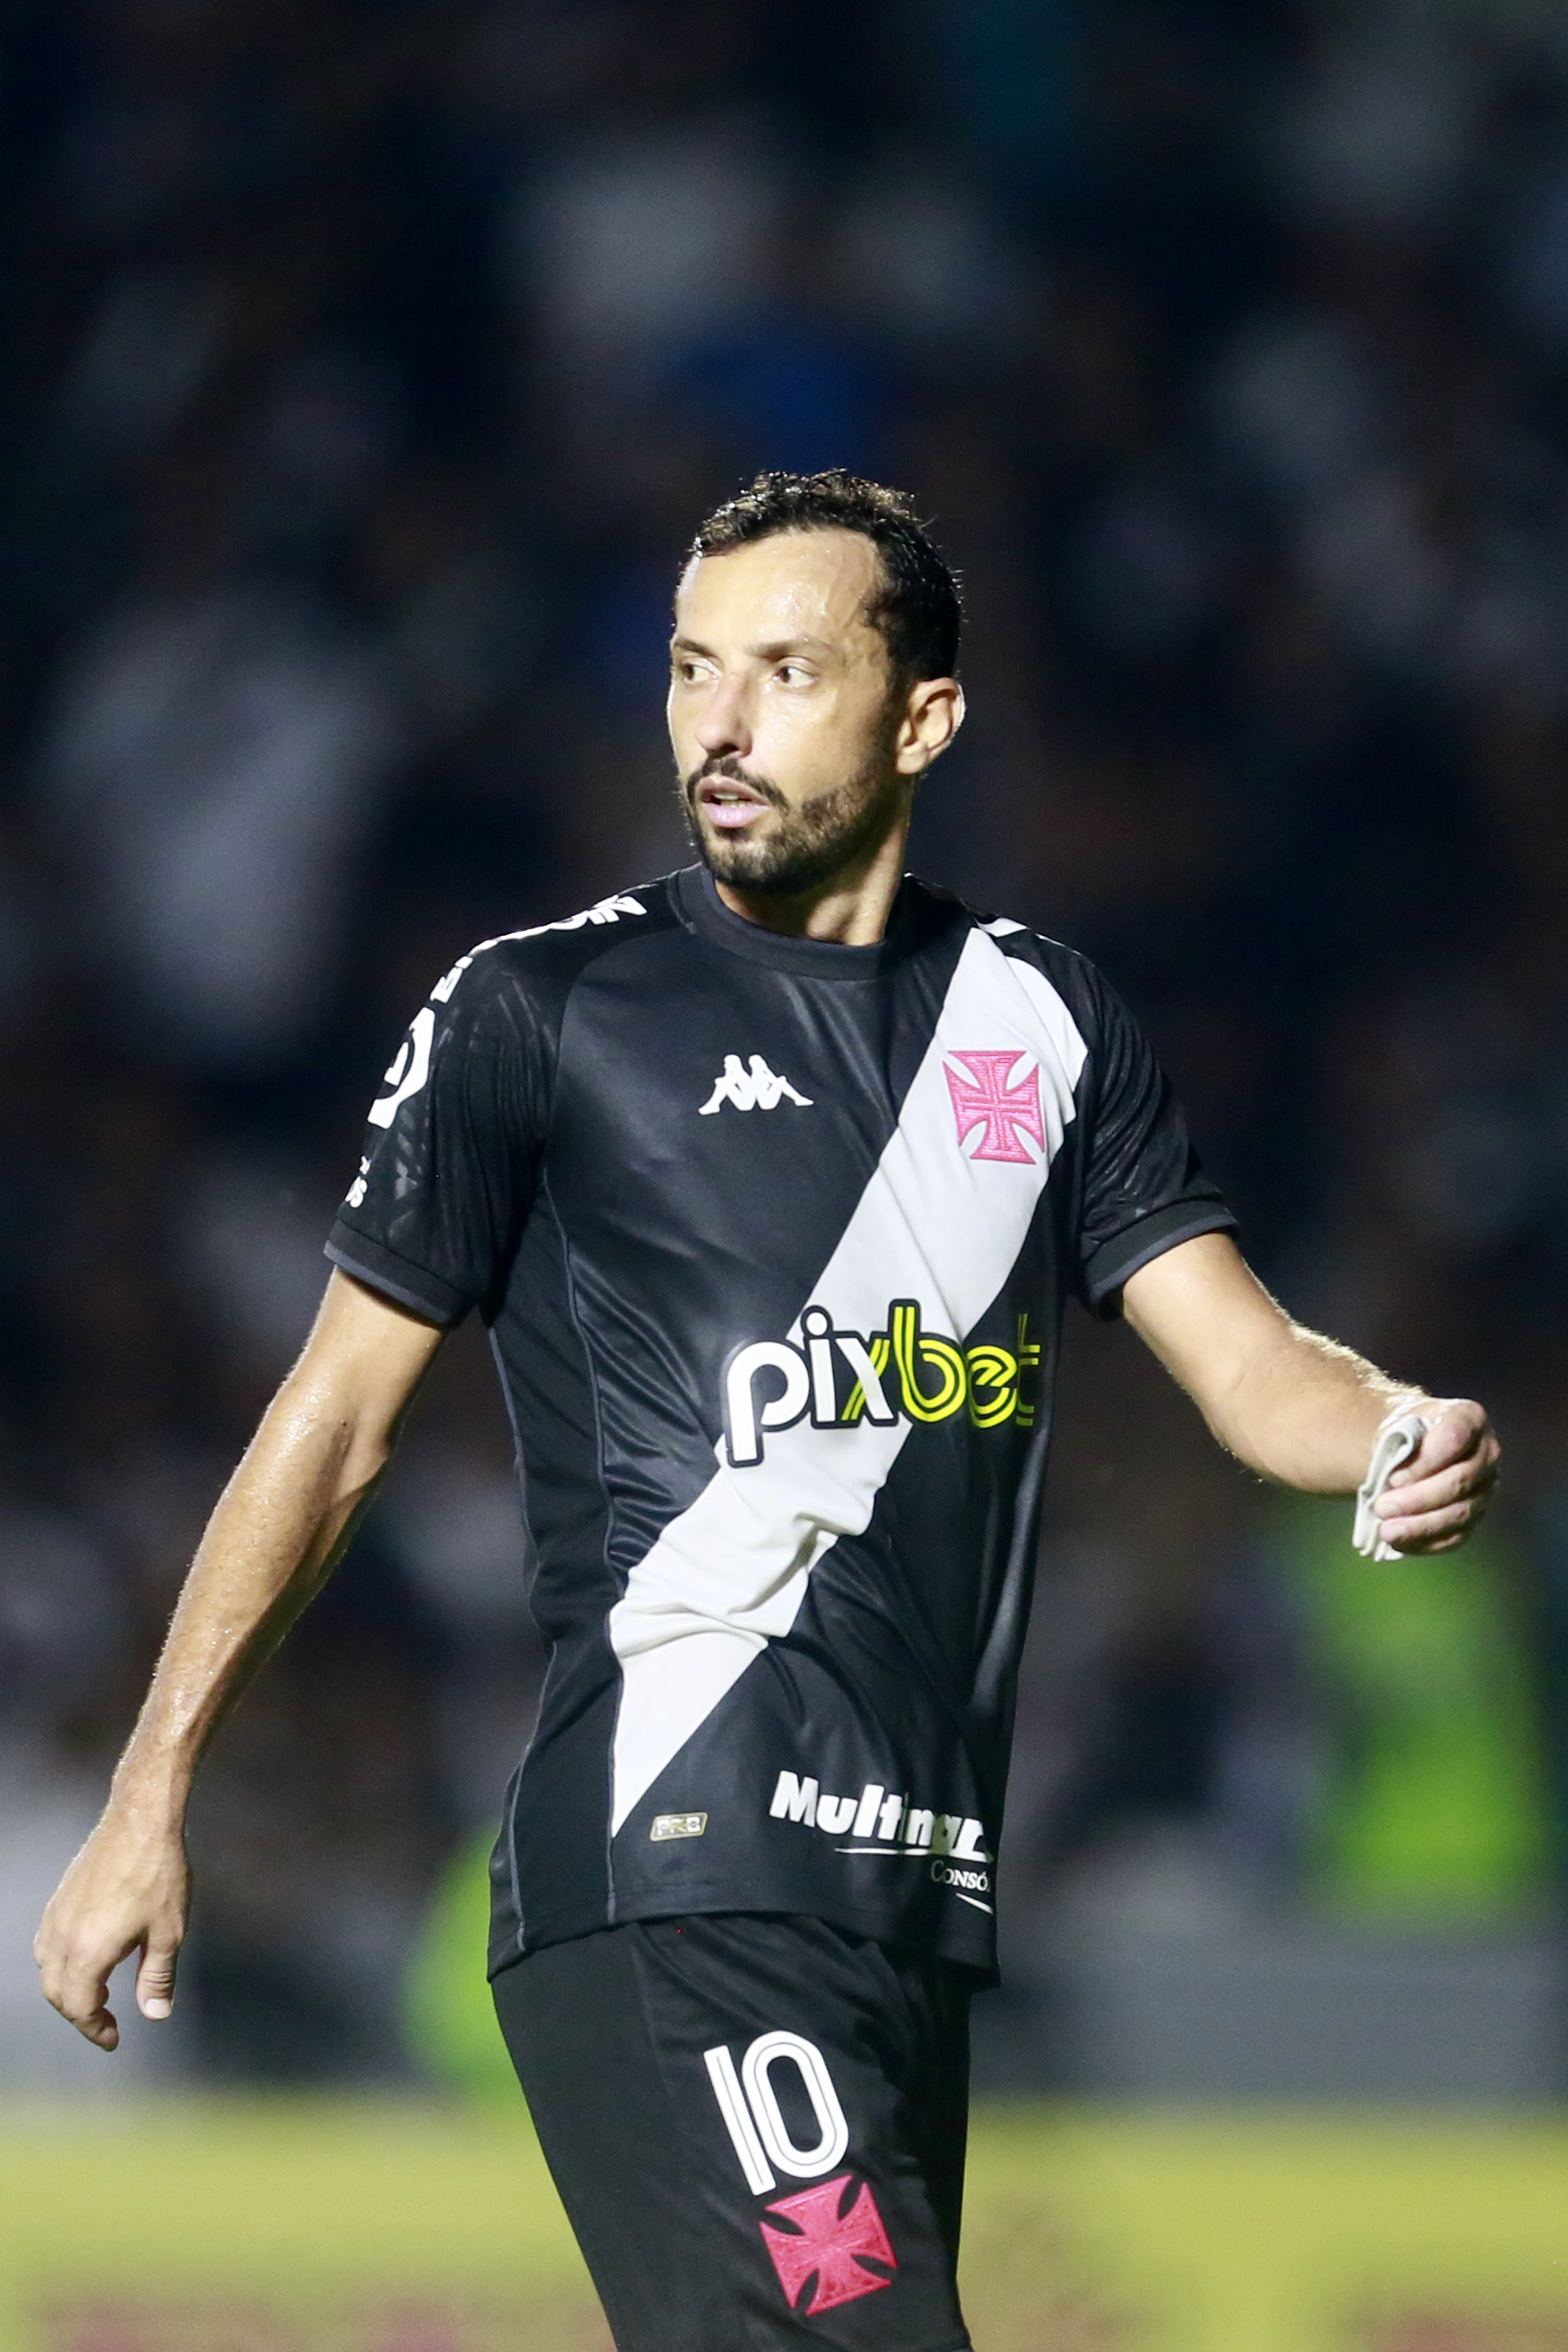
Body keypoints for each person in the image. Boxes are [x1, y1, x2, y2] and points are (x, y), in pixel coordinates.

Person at [37, 473, 1498, 2352]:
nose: (719, 724)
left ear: (923, 717)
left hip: (908, 1902)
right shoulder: (540, 1013)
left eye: (787, 672)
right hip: (675, 1862)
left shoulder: (1035, 1023)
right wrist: (148, 1791)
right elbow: (330, 1421)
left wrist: (1389, 1426)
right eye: (690, 669)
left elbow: (1249, 1364)